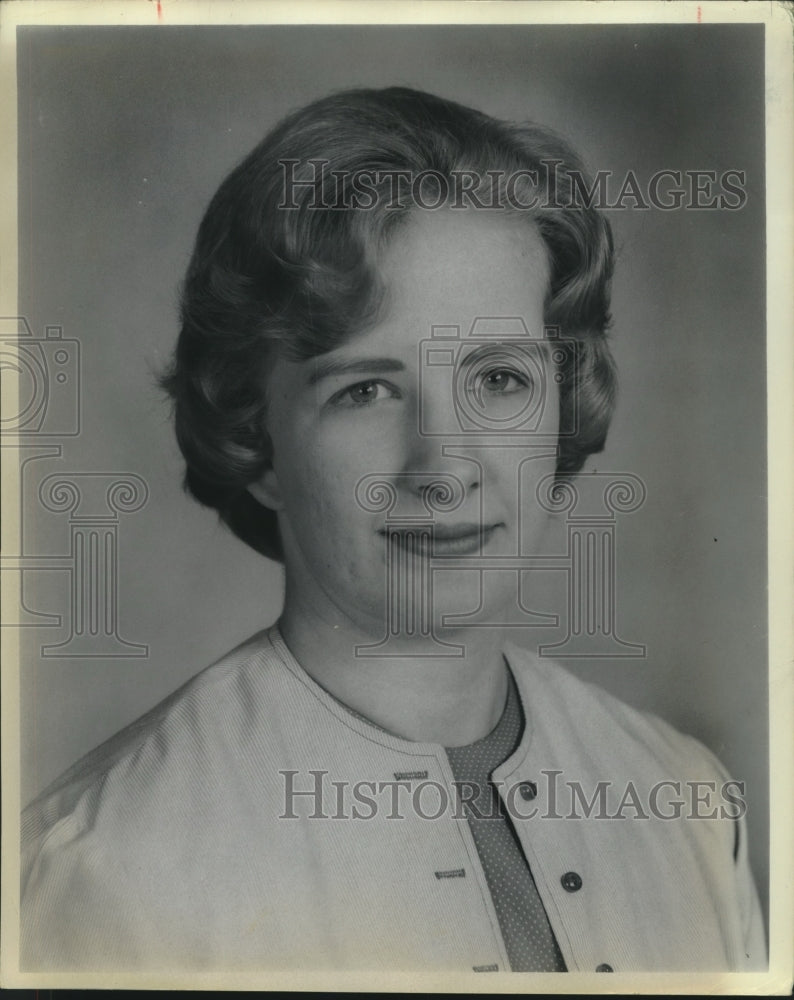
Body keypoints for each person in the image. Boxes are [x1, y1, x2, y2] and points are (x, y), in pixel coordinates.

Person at [20, 87, 765, 974]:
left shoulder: (685, 801)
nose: (443, 466)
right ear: (257, 442)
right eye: (364, 390)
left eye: (497, 380)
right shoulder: (107, 874)